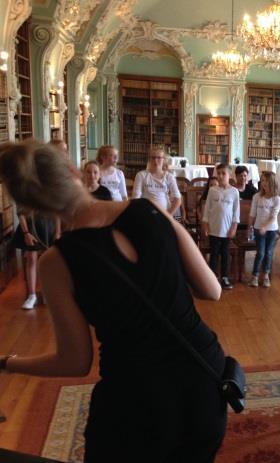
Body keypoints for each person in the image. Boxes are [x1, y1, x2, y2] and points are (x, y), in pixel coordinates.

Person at [0, 140, 227, 462]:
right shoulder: (150, 210)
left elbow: (75, 361)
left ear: (32, 205)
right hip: (204, 379)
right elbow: (212, 290)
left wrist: (7, 362)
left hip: (135, 394)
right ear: (73, 171)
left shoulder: (57, 262)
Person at [202, 163, 239, 290]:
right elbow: (207, 210)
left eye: (224, 173)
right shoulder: (212, 191)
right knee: (214, 254)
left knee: (225, 255)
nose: (221, 176)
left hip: (226, 230)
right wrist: (206, 225)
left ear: (230, 175)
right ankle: (212, 278)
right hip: (214, 229)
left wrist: (234, 228)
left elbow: (236, 212)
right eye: (219, 173)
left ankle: (225, 277)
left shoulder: (234, 192)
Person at [248, 171, 280, 288]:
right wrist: (250, 227)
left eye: (266, 181)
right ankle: (255, 276)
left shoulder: (276, 199)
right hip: (258, 229)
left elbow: (273, 216)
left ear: (272, 182)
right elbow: (252, 214)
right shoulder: (257, 197)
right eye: (262, 181)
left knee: (269, 253)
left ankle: (266, 275)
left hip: (271, 230)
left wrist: (265, 227)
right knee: (260, 253)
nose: (263, 183)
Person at [132, 148, 181, 216]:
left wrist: (168, 216)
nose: (155, 160)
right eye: (153, 158)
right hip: (146, 213)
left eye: (159, 158)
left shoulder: (169, 177)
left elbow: (178, 199)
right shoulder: (141, 175)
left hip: (165, 213)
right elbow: (135, 198)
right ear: (149, 160)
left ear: (164, 160)